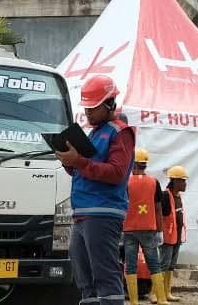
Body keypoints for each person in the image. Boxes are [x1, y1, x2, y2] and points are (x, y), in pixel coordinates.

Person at [55, 75, 135, 305]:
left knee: (105, 278)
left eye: (93, 107)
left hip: (103, 212)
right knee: (85, 280)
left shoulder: (119, 132)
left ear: (110, 103)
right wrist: (69, 162)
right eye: (86, 108)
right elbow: (85, 171)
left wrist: (78, 161)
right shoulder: (95, 132)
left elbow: (116, 173)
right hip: (83, 213)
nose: (88, 113)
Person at [124, 149, 170, 305]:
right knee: (154, 264)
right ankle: (162, 299)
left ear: (133, 164)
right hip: (148, 229)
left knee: (130, 265)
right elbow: (158, 208)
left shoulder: (126, 182)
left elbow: (122, 206)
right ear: (145, 164)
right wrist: (160, 231)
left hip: (129, 229)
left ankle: (134, 302)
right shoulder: (154, 182)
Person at [156, 165, 188, 303]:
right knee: (163, 264)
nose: (185, 183)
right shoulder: (164, 195)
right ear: (175, 181)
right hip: (167, 237)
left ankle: (167, 292)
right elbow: (158, 214)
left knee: (170, 266)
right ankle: (156, 293)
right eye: (183, 180)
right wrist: (160, 233)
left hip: (176, 237)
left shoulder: (178, 197)